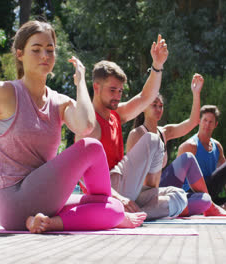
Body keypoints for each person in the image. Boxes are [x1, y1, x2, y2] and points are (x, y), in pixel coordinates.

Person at [0, 20, 146, 234]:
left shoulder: (59, 102)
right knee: (91, 147)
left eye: (50, 50)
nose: (45, 55)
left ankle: (44, 222)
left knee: (116, 209)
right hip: (12, 200)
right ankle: (58, 217)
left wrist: (80, 81)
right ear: (20, 54)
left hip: (43, 197)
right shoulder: (3, 93)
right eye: (36, 50)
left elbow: (87, 125)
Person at [76, 35, 187, 220]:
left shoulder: (116, 114)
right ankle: (118, 211)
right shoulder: (88, 123)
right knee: (152, 139)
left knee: (179, 196)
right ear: (96, 87)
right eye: (112, 90)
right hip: (105, 191)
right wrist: (117, 196)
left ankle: (127, 215)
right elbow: (82, 175)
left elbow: (145, 97)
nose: (117, 96)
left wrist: (157, 65)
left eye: (120, 91)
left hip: (125, 187)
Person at [129, 75, 226, 217]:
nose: (159, 109)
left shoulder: (164, 132)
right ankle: (165, 209)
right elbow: (130, 174)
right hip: (142, 196)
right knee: (188, 158)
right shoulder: (137, 134)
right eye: (154, 105)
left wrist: (196, 93)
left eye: (161, 106)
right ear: (144, 107)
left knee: (204, 200)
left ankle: (200, 207)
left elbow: (193, 122)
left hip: (161, 191)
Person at [175, 105, 226, 213]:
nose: (207, 124)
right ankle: (211, 207)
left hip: (210, 193)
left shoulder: (217, 146)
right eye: (205, 120)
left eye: (211, 121)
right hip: (193, 195)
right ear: (199, 122)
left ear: (216, 124)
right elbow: (176, 178)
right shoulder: (189, 146)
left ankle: (223, 204)